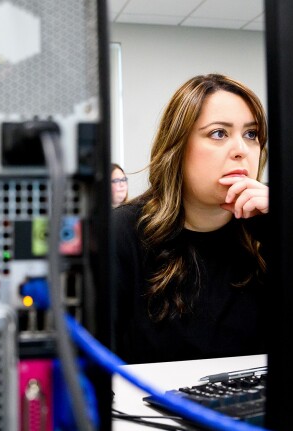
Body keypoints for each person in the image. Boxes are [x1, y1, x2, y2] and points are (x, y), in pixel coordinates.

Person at [111, 74, 269, 364]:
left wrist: (285, 232)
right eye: (219, 133)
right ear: (177, 148)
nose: (241, 150)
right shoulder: (121, 234)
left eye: (251, 134)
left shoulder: (272, 230)